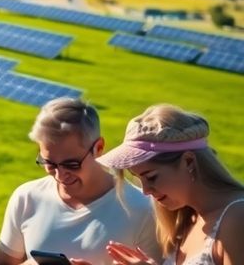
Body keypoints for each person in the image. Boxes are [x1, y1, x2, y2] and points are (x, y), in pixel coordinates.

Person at [0, 97, 160, 265]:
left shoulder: (142, 210)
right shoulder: (27, 197)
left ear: (99, 148)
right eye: (49, 163)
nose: (60, 175)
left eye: (71, 164)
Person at [100, 104, 243, 265]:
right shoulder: (188, 217)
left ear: (188, 162)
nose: (146, 191)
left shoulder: (237, 217)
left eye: (152, 177)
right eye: (139, 178)